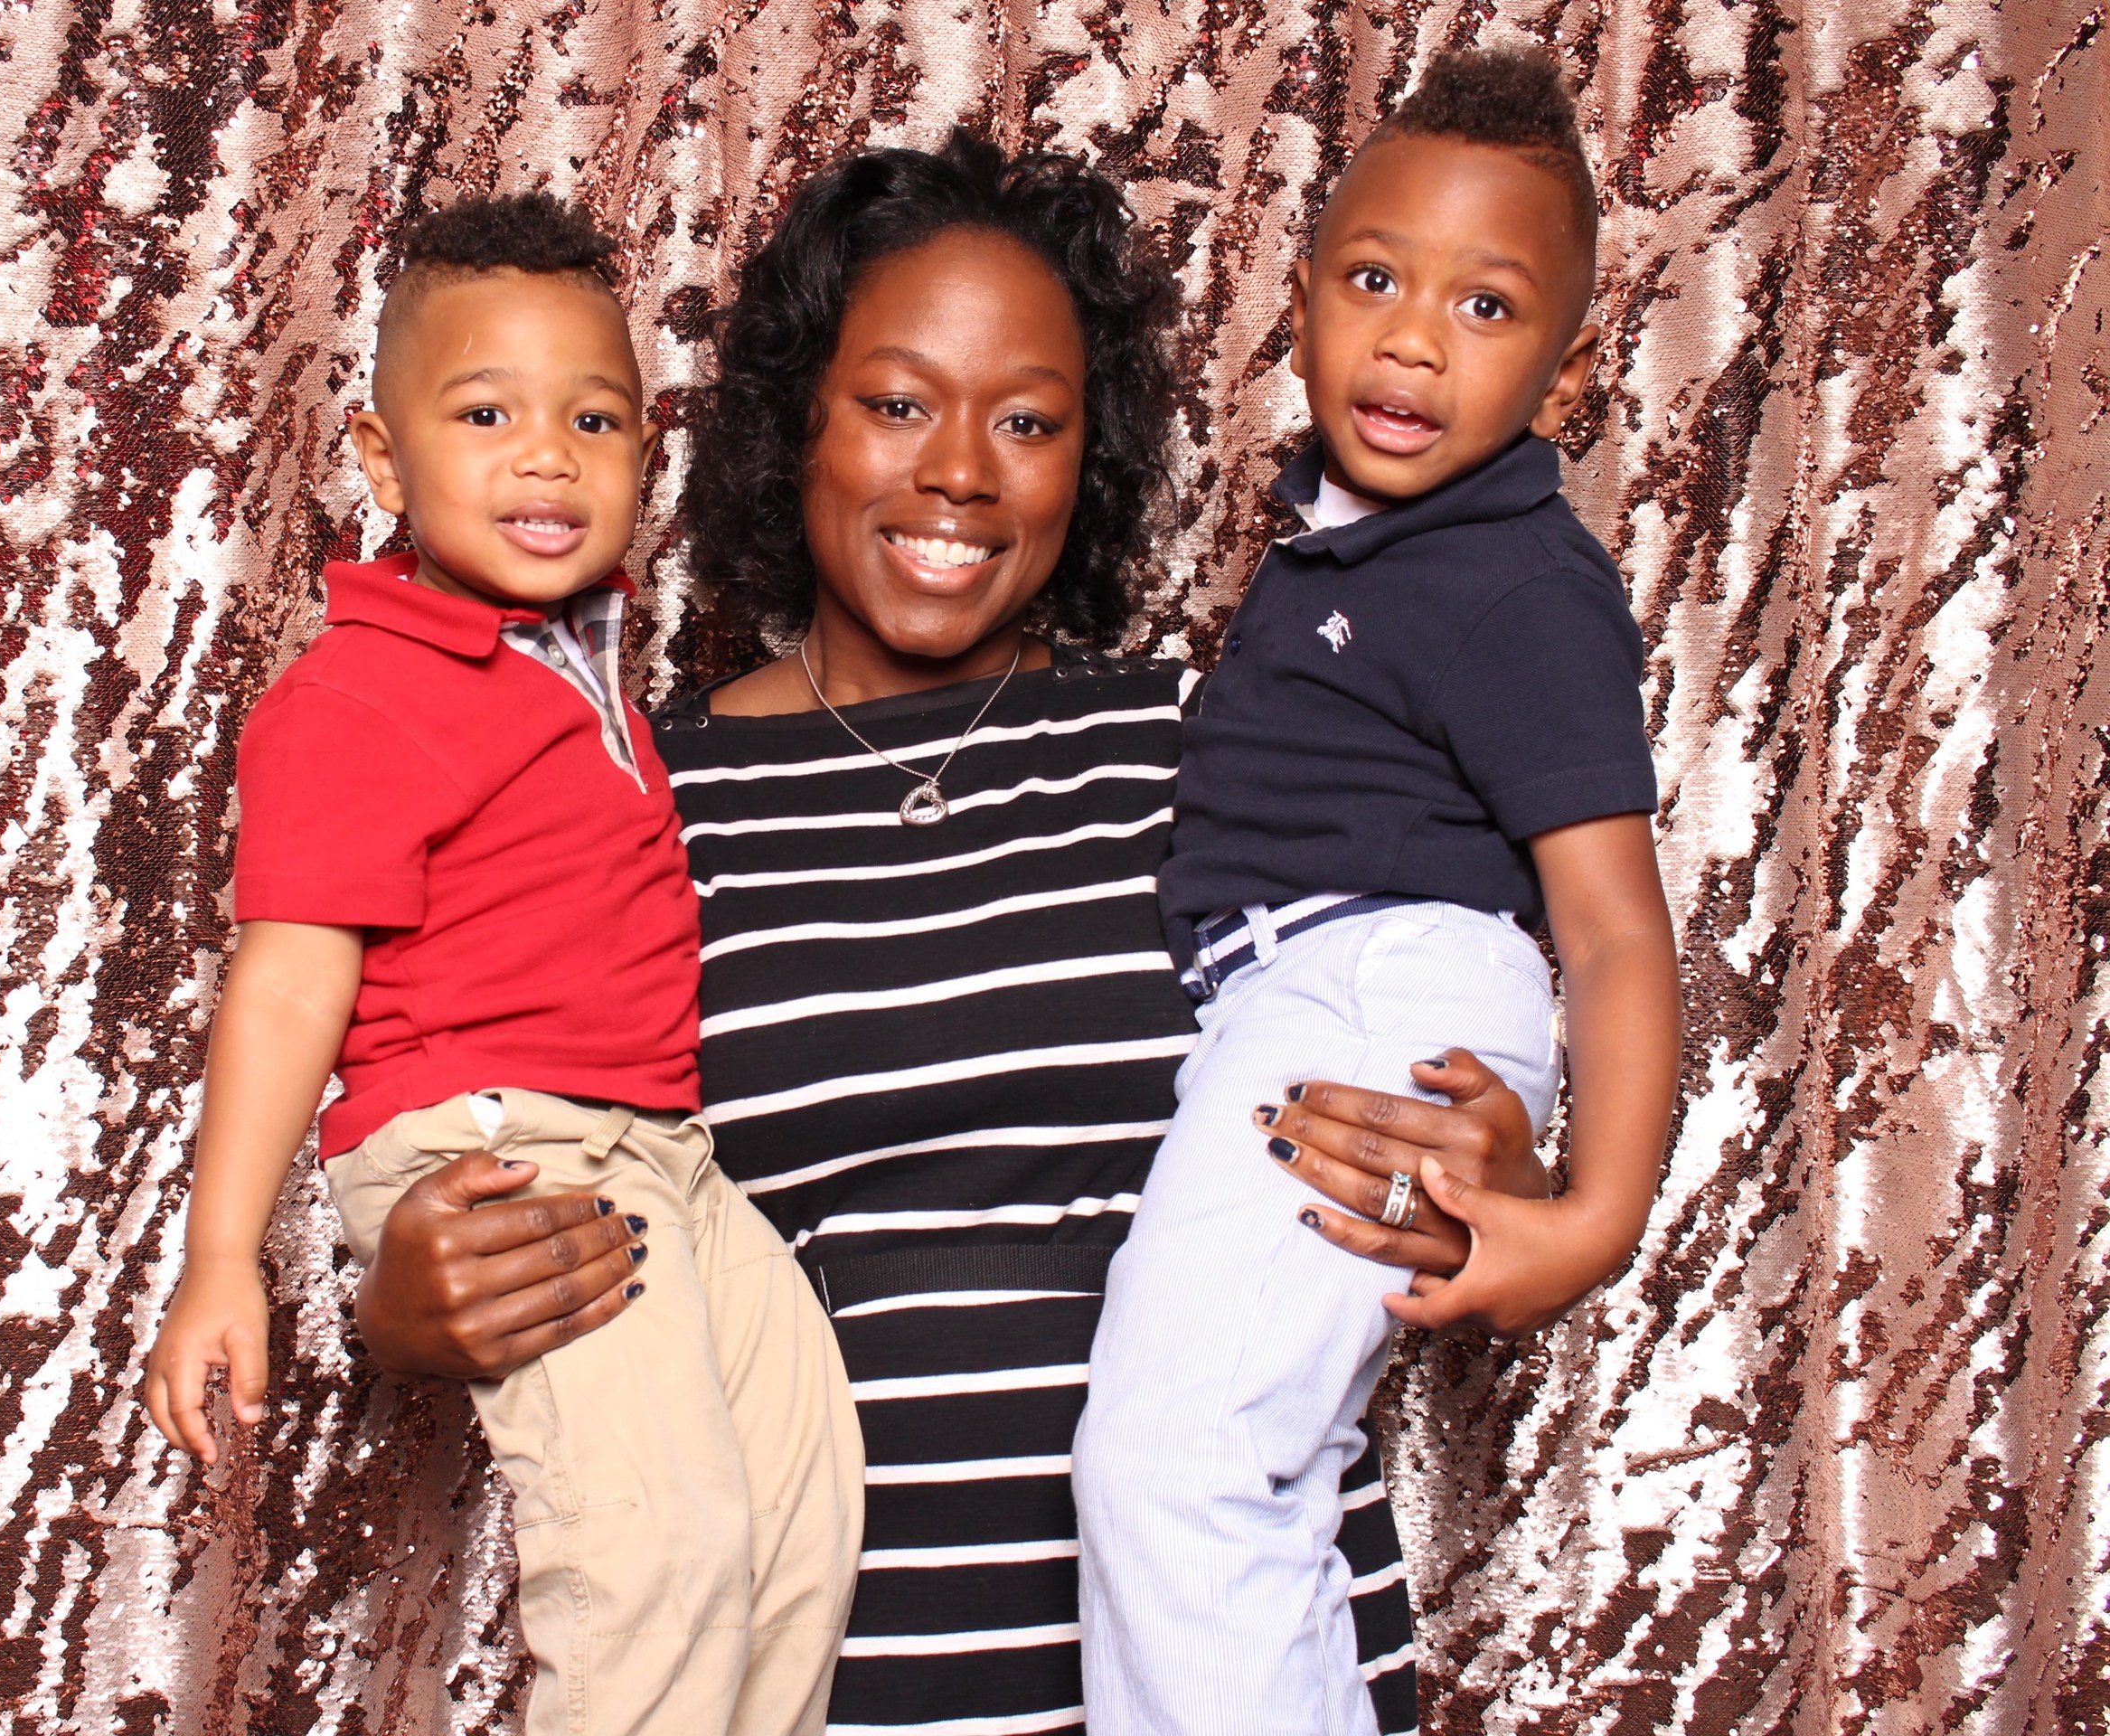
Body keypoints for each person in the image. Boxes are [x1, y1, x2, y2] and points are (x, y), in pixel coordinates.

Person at [355, 136, 1630, 1736]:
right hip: (848, 1695)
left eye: (1029, 422)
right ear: (797, 420)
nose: (961, 470)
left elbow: (1418, 1007)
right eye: (897, 404)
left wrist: (1485, 1176)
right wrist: (403, 1307)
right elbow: (485, 1123)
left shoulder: (1217, 750)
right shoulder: (627, 800)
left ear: (1092, 459)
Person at [140, 195, 862, 1736]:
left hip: (663, 1150)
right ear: (381, 457)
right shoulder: (355, 693)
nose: (547, 456)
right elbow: (289, 981)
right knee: (658, 1556)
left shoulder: (579, 668)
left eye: (593, 420)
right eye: (486, 415)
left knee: (803, 1508)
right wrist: (221, 1255)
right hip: (503, 1145)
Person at [1072, 46, 1682, 1736]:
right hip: (1295, 995)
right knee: (1221, 1475)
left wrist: (1597, 1219)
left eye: (1486, 308)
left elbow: (1614, 927)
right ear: (1301, 298)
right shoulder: (1352, 540)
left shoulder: (1519, 584)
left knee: (1184, 1469)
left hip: (1378, 996)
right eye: (1373, 280)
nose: (1413, 339)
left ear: (1570, 362)